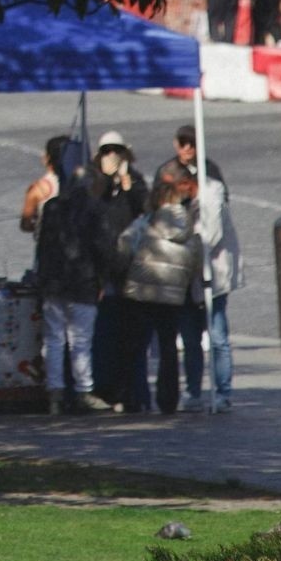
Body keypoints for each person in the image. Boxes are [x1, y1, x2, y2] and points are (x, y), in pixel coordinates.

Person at [31, 137, 110, 415]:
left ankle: (55, 391)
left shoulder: (53, 206)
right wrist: (103, 277)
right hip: (83, 281)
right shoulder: (95, 209)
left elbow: (42, 247)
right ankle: (83, 390)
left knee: (54, 339)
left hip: (54, 281)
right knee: (81, 341)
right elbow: (102, 248)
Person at [119, 172, 204, 415]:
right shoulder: (188, 228)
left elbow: (124, 244)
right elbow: (195, 265)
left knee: (138, 347)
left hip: (142, 292)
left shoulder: (145, 222)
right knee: (168, 348)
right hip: (173, 297)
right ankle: (168, 399)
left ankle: (137, 397)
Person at [86, 131, 150, 407]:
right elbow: (89, 210)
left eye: (117, 150)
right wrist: (104, 182)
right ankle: (105, 389)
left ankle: (133, 393)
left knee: (131, 335)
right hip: (103, 269)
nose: (111, 156)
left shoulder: (134, 180)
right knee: (104, 334)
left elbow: (145, 209)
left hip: (130, 269)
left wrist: (127, 184)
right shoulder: (92, 181)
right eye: (106, 151)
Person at [178, 158, 244, 413]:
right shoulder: (179, 200)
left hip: (212, 276)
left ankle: (223, 392)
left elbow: (212, 234)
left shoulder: (212, 194)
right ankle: (193, 391)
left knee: (217, 336)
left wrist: (190, 247)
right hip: (187, 279)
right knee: (190, 338)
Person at [154, 125, 226, 200]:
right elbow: (155, 201)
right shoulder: (166, 171)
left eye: (192, 143)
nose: (187, 148)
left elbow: (222, 196)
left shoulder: (209, 169)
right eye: (183, 143)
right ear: (176, 144)